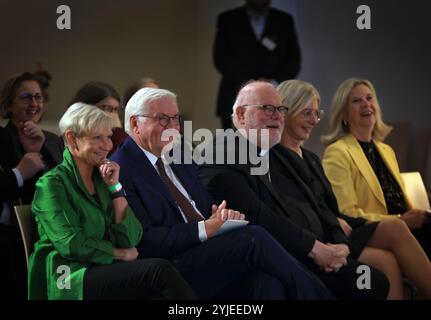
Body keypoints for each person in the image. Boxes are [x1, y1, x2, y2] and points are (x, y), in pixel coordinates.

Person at [110, 87, 331, 300]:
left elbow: (206, 207)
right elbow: (145, 240)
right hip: (170, 264)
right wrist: (204, 229)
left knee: (266, 283)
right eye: (162, 119)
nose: (173, 128)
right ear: (135, 124)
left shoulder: (178, 155)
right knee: (253, 238)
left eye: (176, 118)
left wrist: (222, 217)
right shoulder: (122, 169)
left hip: (207, 250)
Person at [198, 80, 390, 299]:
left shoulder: (270, 153)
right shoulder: (223, 152)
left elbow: (317, 206)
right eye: (267, 108)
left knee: (372, 280)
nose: (277, 116)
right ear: (241, 115)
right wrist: (315, 248)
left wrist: (337, 246)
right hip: (268, 258)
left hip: (304, 252)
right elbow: (259, 214)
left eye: (281, 109)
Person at [275, 79, 431, 299]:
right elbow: (336, 211)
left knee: (400, 234)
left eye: (315, 114)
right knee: (394, 232)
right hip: (339, 232)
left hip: (342, 229)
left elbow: (328, 208)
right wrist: (337, 238)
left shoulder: (312, 158)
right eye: (306, 113)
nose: (312, 120)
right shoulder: (327, 153)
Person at [29, 103, 197, 300]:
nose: (107, 145)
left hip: (104, 267)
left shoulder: (104, 179)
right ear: (71, 138)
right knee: (158, 270)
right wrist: (120, 254)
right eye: (97, 137)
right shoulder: (51, 184)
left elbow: (133, 238)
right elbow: (71, 244)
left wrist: (116, 190)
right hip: (68, 276)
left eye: (108, 137)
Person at [321, 78, 431, 260]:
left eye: (369, 98)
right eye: (356, 101)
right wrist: (400, 220)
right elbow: (347, 213)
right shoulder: (337, 152)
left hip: (410, 227)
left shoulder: (387, 150)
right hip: (377, 231)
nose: (366, 104)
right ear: (344, 115)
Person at [0, 72, 63, 299]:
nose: (34, 104)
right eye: (26, 97)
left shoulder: (52, 139)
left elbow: (64, 183)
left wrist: (40, 148)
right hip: (11, 237)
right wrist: (20, 173)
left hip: (53, 228)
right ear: (9, 105)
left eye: (38, 97)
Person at [214, 0, 301, 129]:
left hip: (275, 97)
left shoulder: (284, 20)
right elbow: (221, 58)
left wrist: (272, 82)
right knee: (233, 146)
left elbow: (294, 60)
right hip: (235, 94)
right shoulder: (229, 19)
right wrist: (248, 82)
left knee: (271, 145)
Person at [70, 81, 127, 155]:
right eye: (105, 108)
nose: (112, 115)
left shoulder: (117, 136)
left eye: (115, 109)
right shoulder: (71, 137)